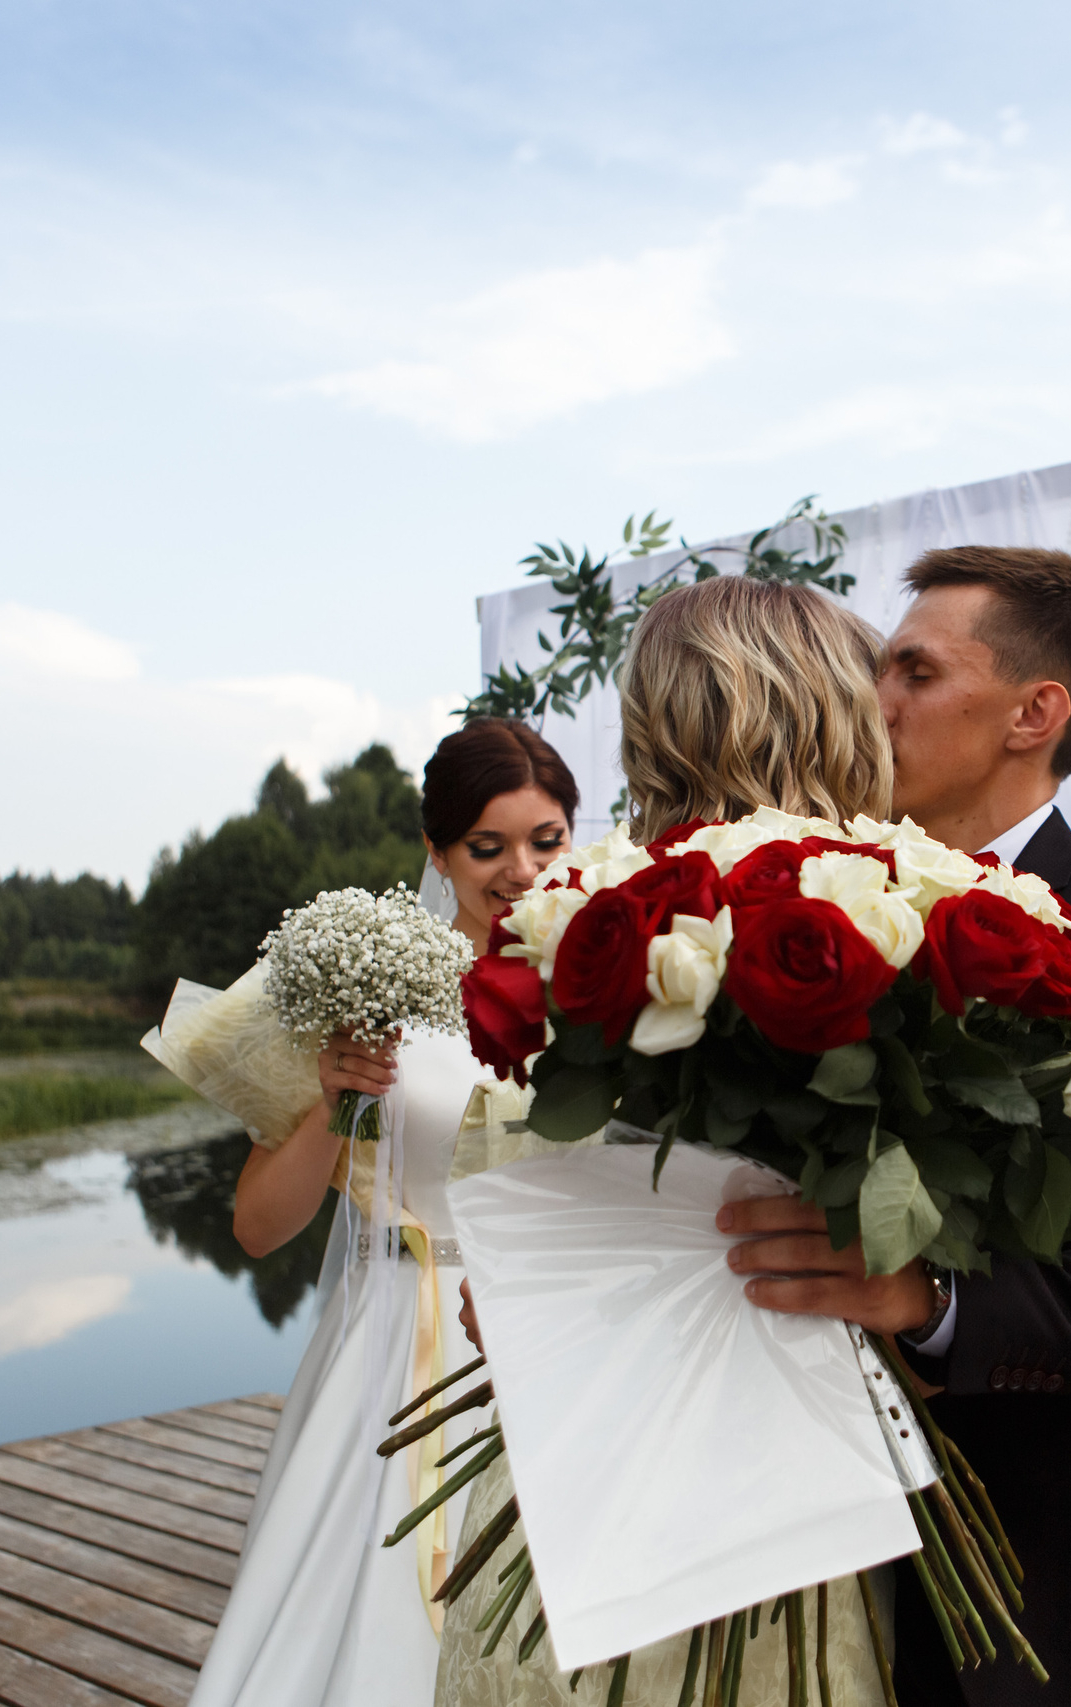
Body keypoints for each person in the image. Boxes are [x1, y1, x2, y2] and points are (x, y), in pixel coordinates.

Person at [720, 546, 1071, 1707]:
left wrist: (938, 1308)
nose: (873, 701)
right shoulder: (812, 910)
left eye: (915, 673)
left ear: (1035, 713)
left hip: (1059, 1590)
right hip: (818, 1565)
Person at [436, 574, 897, 1707]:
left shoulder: (569, 927)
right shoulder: (884, 918)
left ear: (658, 725)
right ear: (829, 710)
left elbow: (499, 1245)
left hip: (586, 1470)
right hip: (788, 1488)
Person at [187, 718, 577, 1707]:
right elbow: (256, 1230)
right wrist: (335, 1101)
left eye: (545, 839)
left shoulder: (608, 993)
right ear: (437, 853)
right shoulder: (375, 991)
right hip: (402, 1344)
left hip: (567, 1340)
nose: (519, 870)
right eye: (486, 846)